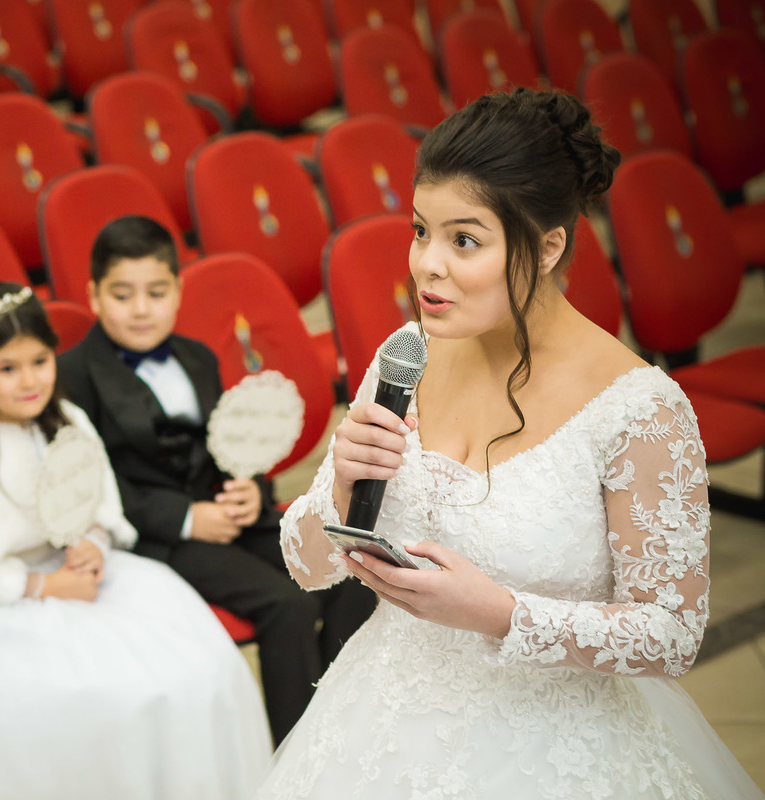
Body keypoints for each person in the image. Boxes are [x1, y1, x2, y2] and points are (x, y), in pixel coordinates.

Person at [256, 87, 765, 799]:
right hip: (379, 723)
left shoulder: (638, 409)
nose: (427, 264)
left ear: (548, 246)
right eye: (420, 231)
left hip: (552, 751)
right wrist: (342, 483)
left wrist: (500, 614)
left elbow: (671, 634)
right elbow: (307, 566)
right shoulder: (406, 357)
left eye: (464, 240)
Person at [0, 282, 272, 799]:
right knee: (97, 697)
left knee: (199, 666)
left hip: (88, 578)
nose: (30, 381)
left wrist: (94, 544)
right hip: (7, 602)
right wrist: (46, 586)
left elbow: (102, 507)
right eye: (7, 369)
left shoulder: (70, 422)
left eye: (40, 362)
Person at [56, 215, 377, 745]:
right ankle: (297, 749)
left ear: (177, 293)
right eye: (122, 295)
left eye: (156, 292)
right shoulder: (72, 375)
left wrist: (251, 490)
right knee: (288, 605)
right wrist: (187, 518)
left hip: (230, 514)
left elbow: (230, 443)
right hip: (161, 536)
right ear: (93, 296)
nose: (141, 309)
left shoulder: (197, 357)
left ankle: (338, 714)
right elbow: (90, 484)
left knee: (348, 570)